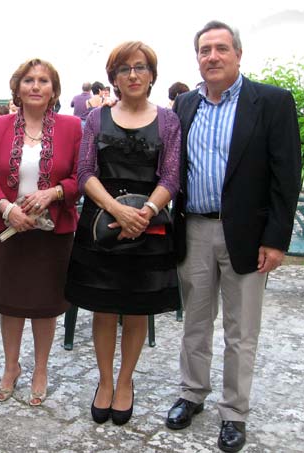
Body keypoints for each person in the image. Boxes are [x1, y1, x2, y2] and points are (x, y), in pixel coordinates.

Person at [165, 21, 301, 453]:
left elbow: (286, 175)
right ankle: (191, 394)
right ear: (197, 58)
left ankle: (234, 413)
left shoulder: (272, 102)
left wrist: (277, 239)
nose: (213, 56)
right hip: (195, 228)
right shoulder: (184, 105)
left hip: (248, 234)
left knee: (242, 330)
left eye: (221, 48)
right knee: (195, 322)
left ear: (238, 54)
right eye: (205, 50)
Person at [64, 41, 181, 425]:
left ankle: (126, 382)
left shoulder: (167, 120)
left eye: (141, 67)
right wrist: (117, 210)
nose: (133, 74)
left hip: (149, 229)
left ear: (152, 75)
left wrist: (144, 213)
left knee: (135, 308)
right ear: (113, 76)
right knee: (103, 306)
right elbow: (84, 174)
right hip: (102, 226)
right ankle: (103, 381)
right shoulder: (96, 119)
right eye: (125, 68)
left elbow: (171, 176)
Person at [0, 58, 82, 407]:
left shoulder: (72, 127)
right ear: (17, 88)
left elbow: (81, 178)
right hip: (9, 228)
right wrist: (8, 209)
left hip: (53, 232)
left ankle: (40, 368)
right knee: (11, 302)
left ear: (54, 90)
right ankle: (11, 367)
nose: (35, 86)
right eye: (28, 80)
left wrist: (53, 193)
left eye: (44, 81)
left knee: (45, 303)